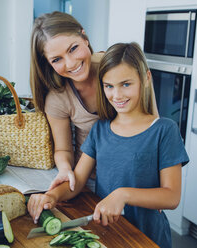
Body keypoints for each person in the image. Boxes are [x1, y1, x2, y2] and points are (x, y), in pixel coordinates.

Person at [27, 42, 189, 248]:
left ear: (146, 79)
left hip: (147, 237)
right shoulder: (100, 130)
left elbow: (171, 196)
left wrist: (123, 194)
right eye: (109, 86)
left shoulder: (164, 130)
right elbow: (76, 180)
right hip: (108, 234)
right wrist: (51, 196)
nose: (117, 95)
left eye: (126, 84)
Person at [30, 12, 158, 192]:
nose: (71, 63)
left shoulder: (121, 67)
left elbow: (153, 124)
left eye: (73, 48)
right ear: (48, 64)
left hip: (135, 178)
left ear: (84, 37)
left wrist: (154, 176)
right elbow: (63, 150)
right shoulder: (57, 97)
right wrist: (66, 170)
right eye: (57, 59)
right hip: (88, 181)